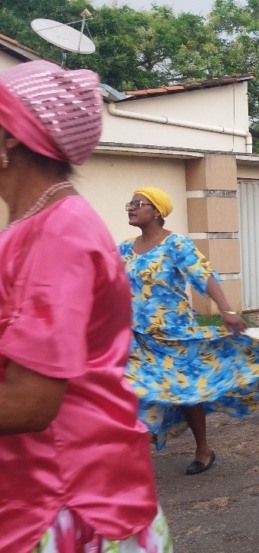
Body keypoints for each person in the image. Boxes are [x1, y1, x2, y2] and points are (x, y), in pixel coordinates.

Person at [0, 60, 170, 552]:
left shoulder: (59, 233)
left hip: (62, 503)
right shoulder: (31, 228)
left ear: (10, 136)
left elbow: (30, 403)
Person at [121, 186, 259, 474]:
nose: (131, 208)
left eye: (138, 203)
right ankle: (134, 459)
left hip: (174, 336)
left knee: (188, 394)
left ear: (156, 211)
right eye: (130, 204)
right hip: (137, 339)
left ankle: (203, 448)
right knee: (135, 393)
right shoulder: (124, 249)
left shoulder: (176, 245)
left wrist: (226, 310)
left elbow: (203, 275)